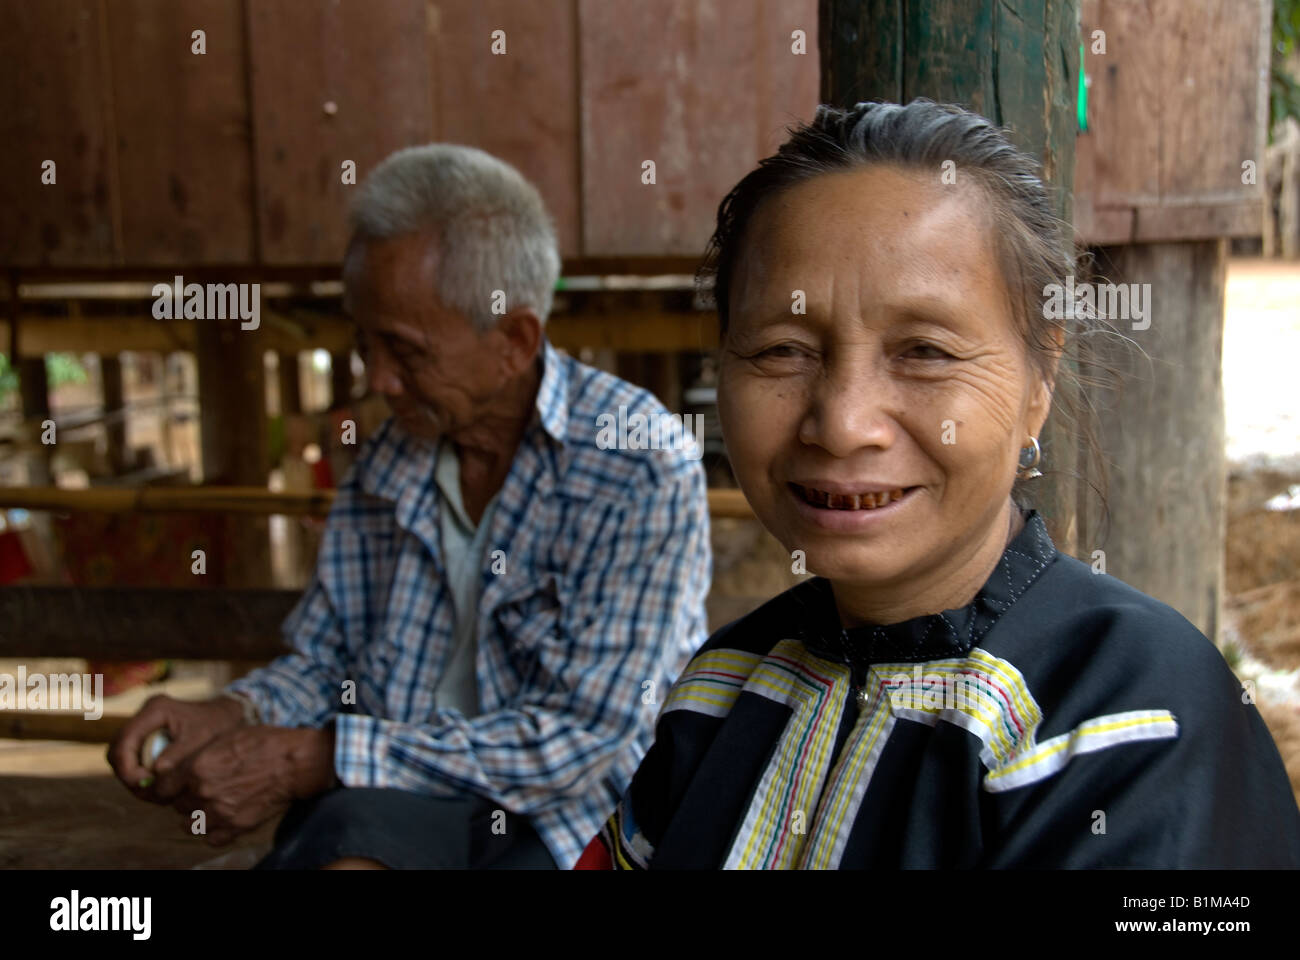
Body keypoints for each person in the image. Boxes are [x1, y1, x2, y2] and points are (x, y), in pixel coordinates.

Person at [576, 100, 1300, 869]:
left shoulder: (1132, 712)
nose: (844, 422)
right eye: (783, 349)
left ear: (1038, 378)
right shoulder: (724, 685)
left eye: (925, 350)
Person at [108, 144, 712, 870]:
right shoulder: (392, 457)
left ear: (514, 340)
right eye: (365, 345)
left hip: (572, 818)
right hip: (388, 795)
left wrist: (315, 758)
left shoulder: (637, 462)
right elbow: (332, 659)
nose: (380, 380)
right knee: (345, 849)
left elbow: (582, 742)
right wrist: (236, 712)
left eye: (405, 350)